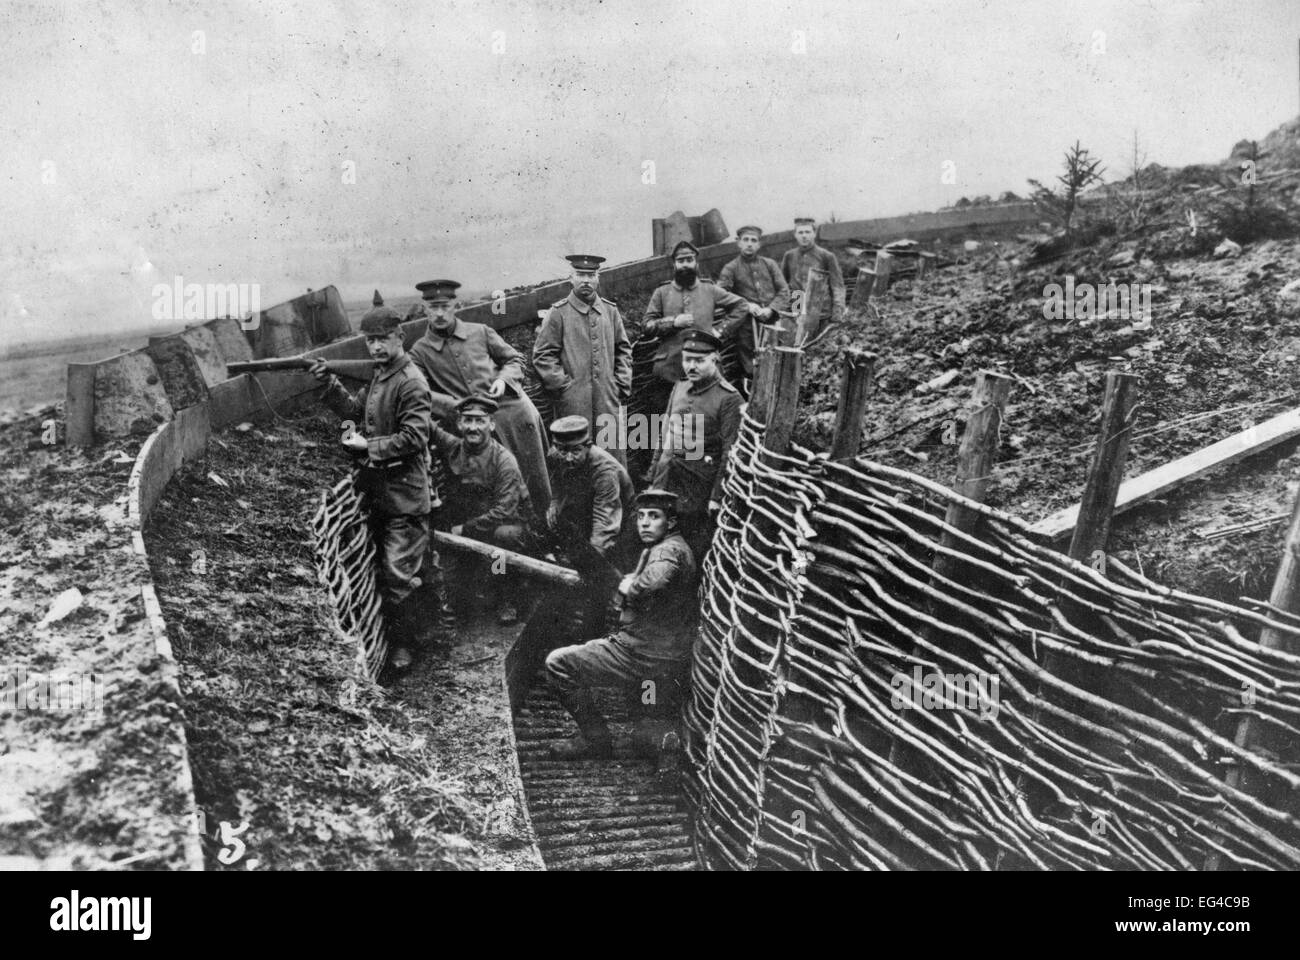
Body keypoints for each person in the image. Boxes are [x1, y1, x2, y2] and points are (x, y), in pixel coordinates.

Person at [310, 300, 433, 672]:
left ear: (401, 337)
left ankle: (407, 647)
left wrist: (370, 446)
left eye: (383, 339)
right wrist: (330, 385)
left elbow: (416, 435)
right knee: (390, 570)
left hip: (406, 497)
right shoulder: (382, 377)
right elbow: (355, 414)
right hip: (381, 492)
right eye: (370, 341)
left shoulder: (411, 382)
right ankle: (419, 635)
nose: (377, 347)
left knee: (398, 574)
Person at [545, 489, 697, 764]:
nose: (645, 523)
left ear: (670, 522)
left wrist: (632, 586)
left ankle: (596, 740)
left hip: (641, 652)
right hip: (666, 652)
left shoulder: (668, 549)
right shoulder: (672, 545)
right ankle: (656, 740)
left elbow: (657, 580)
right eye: (641, 517)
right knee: (642, 723)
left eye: (654, 516)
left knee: (558, 664)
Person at [407, 279, 552, 519]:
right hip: (472, 423)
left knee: (534, 474)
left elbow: (515, 360)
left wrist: (503, 380)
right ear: (425, 310)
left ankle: (545, 526)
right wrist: (455, 406)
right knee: (493, 482)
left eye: (445, 306)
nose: (440, 313)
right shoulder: (420, 351)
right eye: (434, 307)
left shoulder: (480, 331)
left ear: (456, 305)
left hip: (511, 410)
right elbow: (419, 393)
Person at [431, 393, 533, 625]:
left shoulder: (504, 460)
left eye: (480, 421)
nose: (473, 427)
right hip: (471, 524)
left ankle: (506, 598)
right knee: (456, 582)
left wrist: (465, 529)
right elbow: (427, 427)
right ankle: (459, 599)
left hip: (503, 525)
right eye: (468, 420)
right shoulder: (455, 447)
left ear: (491, 424)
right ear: (459, 424)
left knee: (502, 545)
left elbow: (505, 510)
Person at [646, 330, 742, 561]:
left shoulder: (729, 398)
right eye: (687, 359)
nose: (692, 366)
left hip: (696, 489)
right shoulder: (679, 387)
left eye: (699, 361)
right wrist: (652, 475)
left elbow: (731, 452)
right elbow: (665, 432)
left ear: (715, 359)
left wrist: (716, 497)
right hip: (666, 479)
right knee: (657, 544)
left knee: (691, 549)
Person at [532, 254, 633, 465]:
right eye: (580, 274)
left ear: (598, 278)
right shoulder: (558, 313)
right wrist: (564, 387)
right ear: (571, 278)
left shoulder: (610, 311)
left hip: (607, 399)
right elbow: (543, 354)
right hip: (574, 404)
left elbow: (623, 349)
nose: (585, 280)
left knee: (612, 456)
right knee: (576, 457)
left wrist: (620, 383)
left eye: (590, 274)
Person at [640, 240, 750, 416]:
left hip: (705, 365)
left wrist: (719, 331)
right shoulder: (661, 292)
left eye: (689, 260)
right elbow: (647, 325)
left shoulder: (710, 289)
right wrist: (673, 322)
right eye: (681, 261)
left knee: (707, 414)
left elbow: (742, 306)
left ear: (696, 263)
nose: (685, 265)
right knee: (666, 416)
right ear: (674, 264)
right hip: (669, 369)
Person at [716, 225, 790, 388]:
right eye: (746, 240)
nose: (749, 244)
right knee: (751, 366)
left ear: (759, 244)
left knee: (777, 358)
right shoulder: (731, 268)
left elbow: (784, 291)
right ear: (739, 243)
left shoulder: (770, 264)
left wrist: (771, 309)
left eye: (753, 240)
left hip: (773, 322)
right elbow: (720, 294)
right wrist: (745, 305)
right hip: (747, 327)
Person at [779, 217, 846, 343]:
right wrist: (785, 309)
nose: (804, 236)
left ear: (814, 234)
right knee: (797, 346)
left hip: (821, 312)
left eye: (808, 232)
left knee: (819, 347)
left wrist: (837, 312)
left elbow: (837, 286)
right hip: (797, 308)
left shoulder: (826, 256)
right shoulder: (789, 256)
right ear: (795, 235)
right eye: (800, 232)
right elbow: (784, 285)